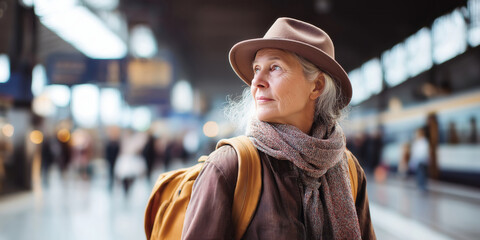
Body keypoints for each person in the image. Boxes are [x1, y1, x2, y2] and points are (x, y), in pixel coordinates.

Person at [182, 17, 376, 239]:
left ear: (317, 86)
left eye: (274, 67)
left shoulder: (350, 169)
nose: (257, 82)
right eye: (256, 69)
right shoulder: (229, 167)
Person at [409, 128, 429, 192]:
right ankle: (420, 186)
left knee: (422, 174)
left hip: (422, 161)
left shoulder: (424, 141)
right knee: (419, 174)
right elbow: (414, 152)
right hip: (417, 161)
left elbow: (423, 152)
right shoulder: (417, 142)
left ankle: (422, 186)